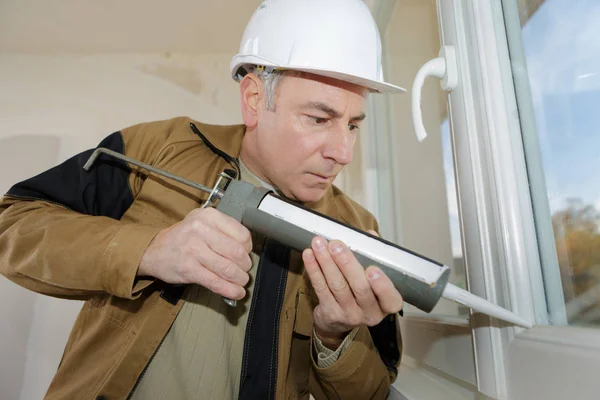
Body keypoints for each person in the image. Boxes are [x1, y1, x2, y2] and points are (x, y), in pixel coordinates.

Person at [0, 0, 406, 399]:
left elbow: (373, 390)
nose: (344, 152)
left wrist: (334, 336)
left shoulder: (356, 231)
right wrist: (148, 251)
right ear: (253, 100)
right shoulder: (159, 149)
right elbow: (14, 223)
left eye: (352, 124)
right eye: (319, 119)